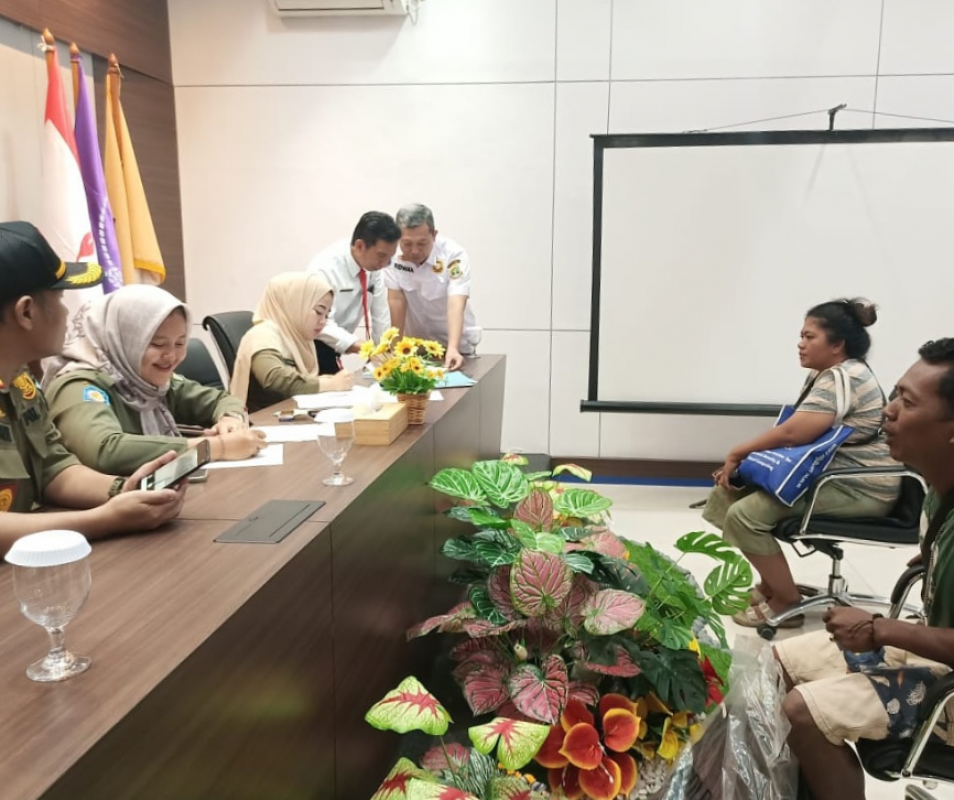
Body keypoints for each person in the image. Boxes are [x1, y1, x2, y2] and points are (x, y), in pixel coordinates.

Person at [775, 338, 954, 800]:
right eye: (894, 394)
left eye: (907, 402)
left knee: (803, 710)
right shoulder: (939, 489)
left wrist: (880, 629)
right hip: (932, 652)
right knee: (782, 663)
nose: (888, 411)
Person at [703, 299, 899, 627]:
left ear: (837, 345)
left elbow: (795, 433)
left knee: (744, 515)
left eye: (810, 337)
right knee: (725, 496)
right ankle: (771, 582)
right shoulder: (831, 374)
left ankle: (786, 601)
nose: (801, 343)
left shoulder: (843, 377)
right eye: (801, 336)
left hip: (859, 486)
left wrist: (739, 453)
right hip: (833, 477)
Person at [0, 221, 185, 553]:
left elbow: (54, 468)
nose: (67, 310)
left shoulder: (21, 383)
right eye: (58, 298)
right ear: (26, 312)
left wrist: (123, 491)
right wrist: (104, 519)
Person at [42, 285, 266, 476]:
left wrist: (230, 420)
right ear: (123, 340)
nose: (171, 356)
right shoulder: (77, 385)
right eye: (158, 344)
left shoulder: (148, 381)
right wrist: (216, 448)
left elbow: (219, 399)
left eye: (180, 343)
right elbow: (105, 450)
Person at [230, 272, 353, 411]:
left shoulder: (298, 338)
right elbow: (274, 379)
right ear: (294, 305)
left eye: (326, 315)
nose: (323, 321)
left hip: (288, 416)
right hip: (263, 422)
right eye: (319, 312)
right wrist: (330, 384)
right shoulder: (263, 333)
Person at [385, 203, 481, 371]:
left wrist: (453, 348)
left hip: (454, 343)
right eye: (406, 244)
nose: (414, 251)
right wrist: (394, 348)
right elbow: (396, 302)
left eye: (422, 243)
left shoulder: (453, 254)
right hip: (415, 345)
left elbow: (455, 304)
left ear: (434, 235)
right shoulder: (392, 256)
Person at [305, 211, 400, 374]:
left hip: (337, 347)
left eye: (390, 258)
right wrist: (364, 347)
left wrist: (383, 352)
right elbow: (321, 324)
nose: (385, 264)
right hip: (311, 348)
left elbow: (380, 314)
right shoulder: (325, 269)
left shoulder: (373, 266)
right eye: (381, 256)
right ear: (360, 246)